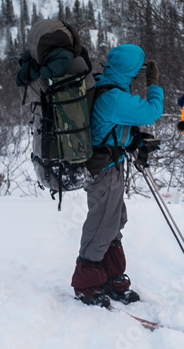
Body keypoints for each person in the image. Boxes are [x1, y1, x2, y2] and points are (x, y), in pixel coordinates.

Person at [70, 44, 163, 308]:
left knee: (114, 219)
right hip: (104, 169)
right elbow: (152, 111)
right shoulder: (114, 97)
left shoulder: (106, 84)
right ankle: (86, 283)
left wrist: (133, 139)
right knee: (102, 222)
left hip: (111, 164)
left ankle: (112, 276)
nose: (137, 76)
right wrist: (154, 82)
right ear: (131, 70)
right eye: (137, 70)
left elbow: (115, 127)